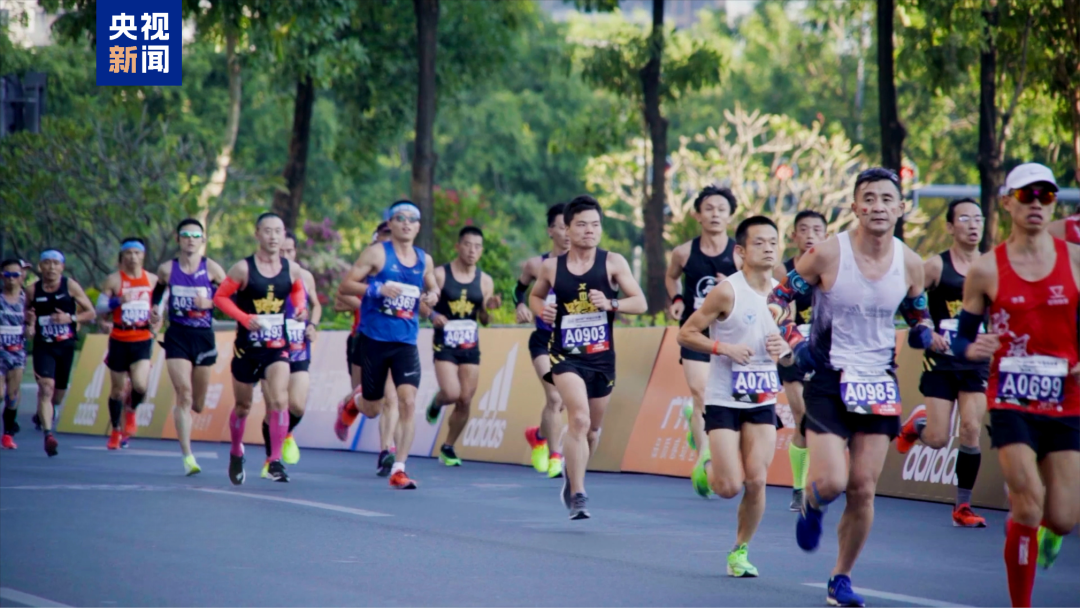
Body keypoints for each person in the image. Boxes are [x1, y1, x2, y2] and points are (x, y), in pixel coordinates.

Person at [768, 168, 934, 607]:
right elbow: (777, 299)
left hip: (878, 383)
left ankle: (840, 578)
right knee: (832, 481)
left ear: (901, 208)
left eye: (887, 199)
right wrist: (795, 342)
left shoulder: (910, 262)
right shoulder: (827, 254)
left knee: (862, 488)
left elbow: (919, 314)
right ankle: (812, 502)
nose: (878, 207)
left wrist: (923, 331)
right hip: (828, 378)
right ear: (856, 207)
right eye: (869, 199)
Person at [950, 163, 1078, 608]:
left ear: (1054, 203)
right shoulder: (986, 269)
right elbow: (962, 338)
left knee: (1063, 518)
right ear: (1007, 202)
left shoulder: (1075, 259)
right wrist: (973, 348)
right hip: (1011, 397)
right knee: (1026, 503)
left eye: (1046, 195)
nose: (1037, 203)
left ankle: (1046, 531)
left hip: (1067, 400)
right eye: (1026, 195)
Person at [680, 216, 792, 577]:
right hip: (724, 399)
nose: (768, 248)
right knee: (728, 487)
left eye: (773, 242)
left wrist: (784, 351)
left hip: (762, 399)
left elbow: (790, 353)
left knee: (757, 480)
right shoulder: (727, 291)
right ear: (741, 251)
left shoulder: (783, 295)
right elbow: (686, 334)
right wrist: (723, 348)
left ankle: (739, 551)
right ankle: (706, 459)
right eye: (759, 242)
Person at [529, 195, 647, 520]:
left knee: (592, 430)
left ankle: (573, 477)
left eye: (595, 225)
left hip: (601, 358)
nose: (589, 230)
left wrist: (611, 303)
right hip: (565, 355)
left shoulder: (613, 263)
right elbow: (535, 296)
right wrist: (543, 310)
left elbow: (640, 302)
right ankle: (579, 494)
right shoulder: (552, 267)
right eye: (582, 225)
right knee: (578, 419)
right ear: (567, 229)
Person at [894, 198, 990, 528]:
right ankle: (916, 425)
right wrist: (927, 329)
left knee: (971, 428)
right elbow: (908, 299)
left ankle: (963, 507)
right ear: (950, 226)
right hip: (941, 361)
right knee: (937, 439)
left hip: (975, 361)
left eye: (978, 218)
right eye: (964, 218)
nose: (973, 224)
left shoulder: (992, 267)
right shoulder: (935, 266)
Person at [335, 201, 439, 490]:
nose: (406, 223)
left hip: (405, 342)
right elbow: (345, 287)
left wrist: (432, 296)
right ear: (391, 224)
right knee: (373, 407)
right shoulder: (377, 253)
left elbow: (433, 287)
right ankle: (353, 403)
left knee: (407, 402)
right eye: (400, 218)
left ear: (418, 227)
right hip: (374, 340)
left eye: (412, 219)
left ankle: (399, 468)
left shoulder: (424, 259)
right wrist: (377, 289)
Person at [213, 212, 308, 484]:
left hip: (277, 346)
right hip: (247, 347)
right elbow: (220, 297)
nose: (273, 236)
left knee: (279, 400)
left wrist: (300, 309)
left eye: (278, 231)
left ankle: (274, 460)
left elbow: (298, 292)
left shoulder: (292, 269)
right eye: (268, 231)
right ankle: (236, 451)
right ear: (257, 234)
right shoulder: (243, 269)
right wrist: (244, 318)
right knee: (243, 406)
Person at [665, 186, 740, 464]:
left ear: (730, 216)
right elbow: (671, 277)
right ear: (698, 215)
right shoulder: (684, 252)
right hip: (695, 332)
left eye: (721, 209)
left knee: (723, 398)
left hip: (731, 334)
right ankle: (705, 459)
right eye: (708, 209)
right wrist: (676, 298)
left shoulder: (740, 255)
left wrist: (731, 285)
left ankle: (701, 428)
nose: (715, 214)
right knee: (701, 393)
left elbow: (755, 288)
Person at [150, 220, 227, 475]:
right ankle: (188, 457)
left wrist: (210, 303)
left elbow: (232, 297)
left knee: (198, 403)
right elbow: (158, 294)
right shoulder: (166, 269)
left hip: (203, 337)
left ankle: (193, 415)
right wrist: (156, 311)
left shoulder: (212, 269)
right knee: (184, 393)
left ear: (203, 240)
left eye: (196, 236)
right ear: (178, 239)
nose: (191, 240)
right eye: (186, 235)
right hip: (177, 335)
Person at [424, 226, 502, 465]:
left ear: (481, 251)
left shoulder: (485, 281)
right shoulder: (440, 274)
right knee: (451, 393)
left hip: (469, 344)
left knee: (465, 398)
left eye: (477, 247)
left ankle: (448, 447)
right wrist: (432, 315)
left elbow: (484, 320)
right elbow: (422, 302)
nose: (472, 250)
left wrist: (489, 309)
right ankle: (437, 402)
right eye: (467, 245)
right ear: (458, 246)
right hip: (445, 342)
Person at [337, 221, 400, 477]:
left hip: (395, 338)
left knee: (392, 397)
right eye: (385, 236)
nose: (389, 241)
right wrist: (369, 301)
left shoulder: (405, 264)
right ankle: (350, 403)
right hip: (363, 337)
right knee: (371, 405)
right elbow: (341, 297)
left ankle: (387, 451)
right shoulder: (368, 262)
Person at [773, 210, 827, 510]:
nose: (810, 235)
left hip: (827, 355)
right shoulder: (784, 270)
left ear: (826, 236)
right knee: (803, 418)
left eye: (817, 230)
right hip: (793, 351)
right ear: (794, 235)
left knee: (823, 421)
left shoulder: (833, 267)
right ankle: (799, 488)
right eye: (804, 230)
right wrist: (792, 346)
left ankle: (819, 481)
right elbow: (782, 311)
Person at [258, 231, 321, 479]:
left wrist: (312, 325)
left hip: (298, 350)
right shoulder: (262, 276)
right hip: (270, 351)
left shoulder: (304, 276)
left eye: (290, 250)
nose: (285, 255)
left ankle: (286, 433)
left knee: (296, 405)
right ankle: (271, 461)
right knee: (275, 406)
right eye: (281, 250)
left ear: (296, 252)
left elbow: (316, 305)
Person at [24, 249, 95, 456]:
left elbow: (91, 313)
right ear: (40, 267)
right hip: (43, 346)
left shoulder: (70, 286)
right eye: (47, 263)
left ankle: (43, 413)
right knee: (46, 387)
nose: (52, 267)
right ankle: (48, 435)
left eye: (56, 263)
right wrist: (29, 321)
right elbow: (25, 313)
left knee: (57, 395)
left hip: (65, 346)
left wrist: (70, 318)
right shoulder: (32, 290)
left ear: (62, 267)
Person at [517, 203, 570, 478]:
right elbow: (519, 289)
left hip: (571, 342)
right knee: (554, 395)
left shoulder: (584, 267)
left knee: (560, 402)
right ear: (551, 230)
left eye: (571, 226)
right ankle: (555, 457)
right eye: (562, 227)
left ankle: (538, 434)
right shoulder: (536, 265)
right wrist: (520, 305)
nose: (567, 233)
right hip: (543, 339)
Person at [99, 238, 160, 450]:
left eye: (137, 253)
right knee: (117, 390)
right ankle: (116, 430)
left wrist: (157, 322)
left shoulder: (152, 280)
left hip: (142, 338)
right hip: (119, 339)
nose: (133, 257)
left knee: (140, 385)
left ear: (143, 255)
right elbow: (100, 307)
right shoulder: (114, 280)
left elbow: (160, 307)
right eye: (128, 253)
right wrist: (117, 301)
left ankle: (132, 409)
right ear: (122, 256)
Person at [1, 260, 27, 449]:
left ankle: (8, 433)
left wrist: (31, 327)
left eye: (15, 275)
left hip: (17, 352)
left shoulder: (26, 300)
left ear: (21, 276)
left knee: (12, 394)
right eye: (7, 275)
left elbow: (32, 324)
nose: (11, 279)